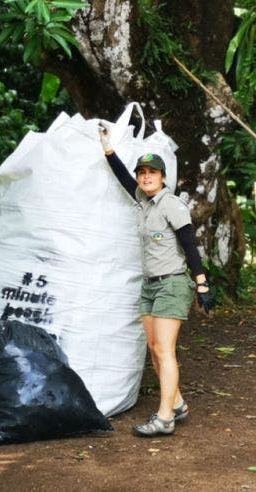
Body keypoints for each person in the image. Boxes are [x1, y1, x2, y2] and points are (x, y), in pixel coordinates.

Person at [98, 124, 215, 437]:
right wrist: (108, 150)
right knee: (153, 347)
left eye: (152, 172)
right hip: (149, 285)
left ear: (163, 177)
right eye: (142, 173)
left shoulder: (171, 205)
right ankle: (177, 403)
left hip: (172, 284)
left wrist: (202, 283)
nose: (146, 177)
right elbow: (123, 180)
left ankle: (165, 418)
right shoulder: (143, 199)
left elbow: (190, 245)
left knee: (165, 350)